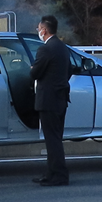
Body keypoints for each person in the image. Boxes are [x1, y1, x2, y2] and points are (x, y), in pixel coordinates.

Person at [30, 15, 72, 186]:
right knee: (55, 137)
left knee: (52, 139)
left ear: (44, 30)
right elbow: (69, 70)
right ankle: (51, 172)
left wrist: (33, 68)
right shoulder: (62, 47)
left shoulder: (45, 49)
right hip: (60, 97)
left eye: (38, 28)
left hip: (48, 99)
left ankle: (59, 175)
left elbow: (35, 73)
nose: (38, 30)